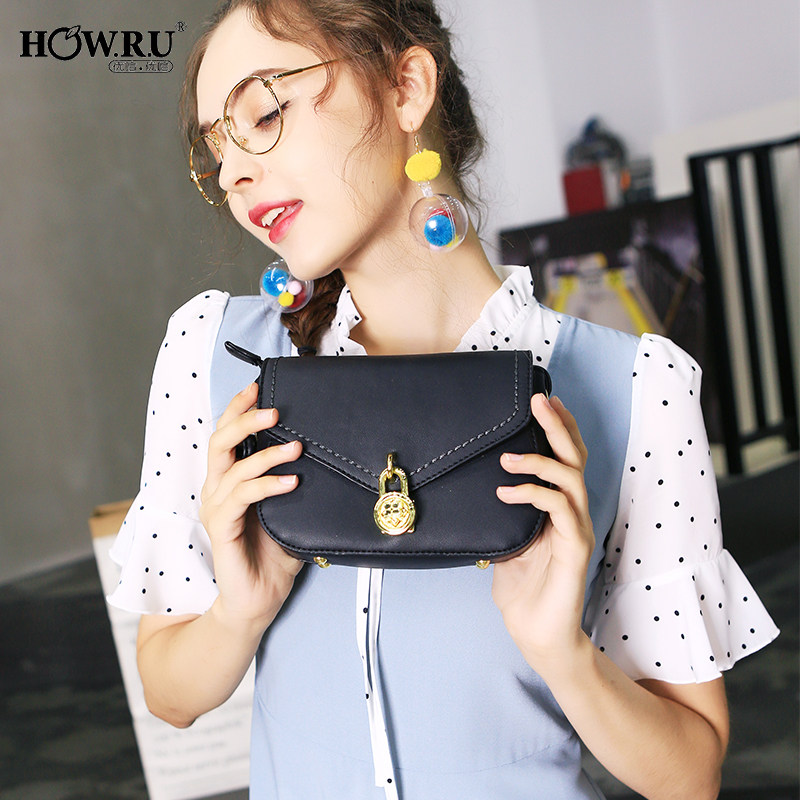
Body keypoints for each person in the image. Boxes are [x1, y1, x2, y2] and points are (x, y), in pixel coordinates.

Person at [108, 1, 779, 797]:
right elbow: (170, 696)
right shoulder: (213, 355)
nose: (232, 174)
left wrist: (562, 651)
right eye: (215, 148)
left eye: (264, 113)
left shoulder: (637, 389)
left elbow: (690, 776)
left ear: (406, 87)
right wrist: (239, 612)